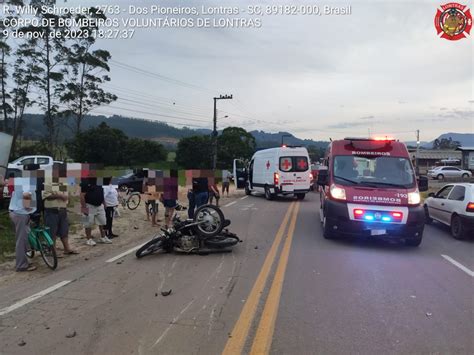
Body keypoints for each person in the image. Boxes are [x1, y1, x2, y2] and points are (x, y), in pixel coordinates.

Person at [9, 180, 37, 271]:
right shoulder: (28, 182)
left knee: (25, 237)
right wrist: (28, 207)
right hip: (21, 214)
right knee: (21, 240)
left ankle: (24, 260)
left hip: (16, 212)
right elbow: (26, 195)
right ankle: (21, 265)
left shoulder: (20, 181)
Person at [42, 183, 78, 256]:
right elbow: (46, 196)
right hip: (52, 210)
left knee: (64, 230)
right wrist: (59, 196)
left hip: (62, 210)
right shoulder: (48, 183)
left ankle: (67, 248)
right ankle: (53, 251)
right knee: (52, 231)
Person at [80, 178, 111, 246]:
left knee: (102, 222)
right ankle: (89, 239)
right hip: (89, 205)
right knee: (88, 223)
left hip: (99, 205)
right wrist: (84, 207)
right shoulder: (85, 182)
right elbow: (82, 195)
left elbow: (101, 192)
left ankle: (103, 237)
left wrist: (104, 203)